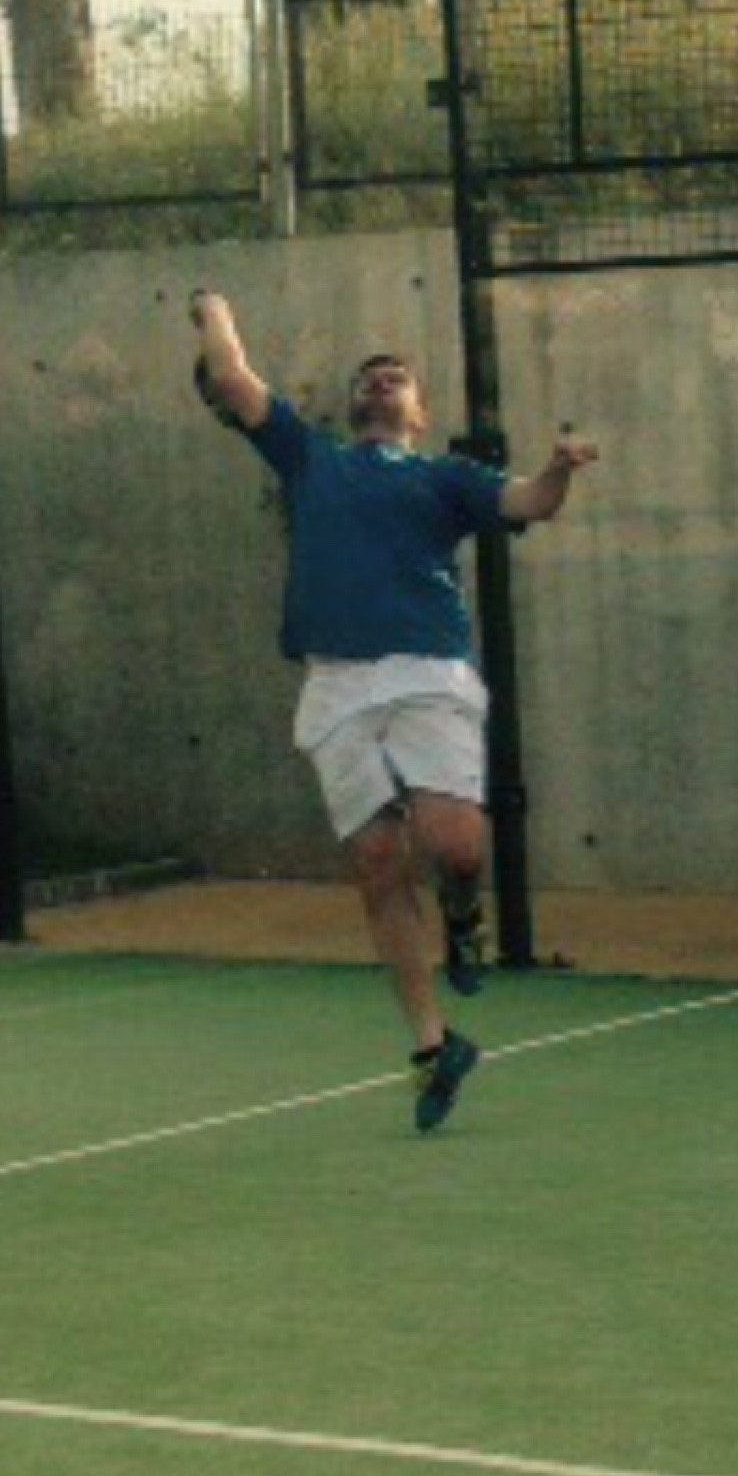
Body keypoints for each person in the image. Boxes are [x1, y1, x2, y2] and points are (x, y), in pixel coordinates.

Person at [189, 289, 598, 1132]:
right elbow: (230, 379)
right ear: (353, 404)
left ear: (420, 411)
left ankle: (462, 914)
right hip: (336, 682)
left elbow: (530, 502)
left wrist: (560, 467)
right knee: (377, 861)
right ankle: (433, 1046)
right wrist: (212, 306)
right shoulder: (311, 457)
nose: (381, 382)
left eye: (397, 377)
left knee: (454, 847)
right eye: (369, 377)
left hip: (426, 672)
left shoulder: (447, 478)